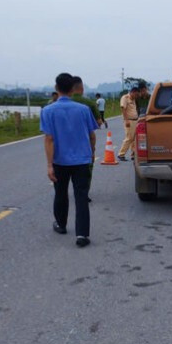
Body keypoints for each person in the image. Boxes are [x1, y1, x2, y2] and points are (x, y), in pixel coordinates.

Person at [40, 73, 99, 248]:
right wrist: (92, 152)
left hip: (60, 161)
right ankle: (82, 234)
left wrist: (49, 165)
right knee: (81, 197)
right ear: (73, 89)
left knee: (61, 193)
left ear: (56, 88)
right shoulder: (83, 110)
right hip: (82, 161)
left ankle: (61, 224)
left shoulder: (48, 110)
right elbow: (92, 135)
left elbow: (49, 139)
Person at [117, 86, 139, 161]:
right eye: (135, 94)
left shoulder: (133, 99)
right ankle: (121, 154)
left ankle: (133, 154)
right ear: (132, 92)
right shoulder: (125, 98)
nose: (136, 96)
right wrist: (126, 120)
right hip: (129, 120)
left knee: (134, 138)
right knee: (129, 138)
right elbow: (123, 109)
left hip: (135, 120)